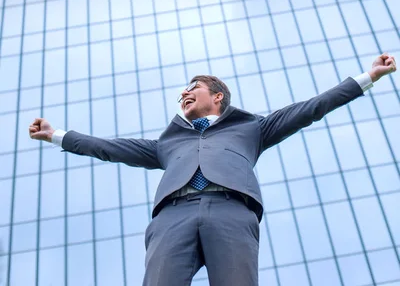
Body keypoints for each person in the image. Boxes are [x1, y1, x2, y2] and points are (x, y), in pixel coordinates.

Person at [29, 52, 396, 285]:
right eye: (182, 93)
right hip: (172, 218)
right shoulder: (166, 144)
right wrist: (56, 135)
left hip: (232, 212)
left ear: (217, 96)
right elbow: (109, 148)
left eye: (193, 88)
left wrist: (368, 77)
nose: (184, 94)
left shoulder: (252, 128)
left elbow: (311, 108)